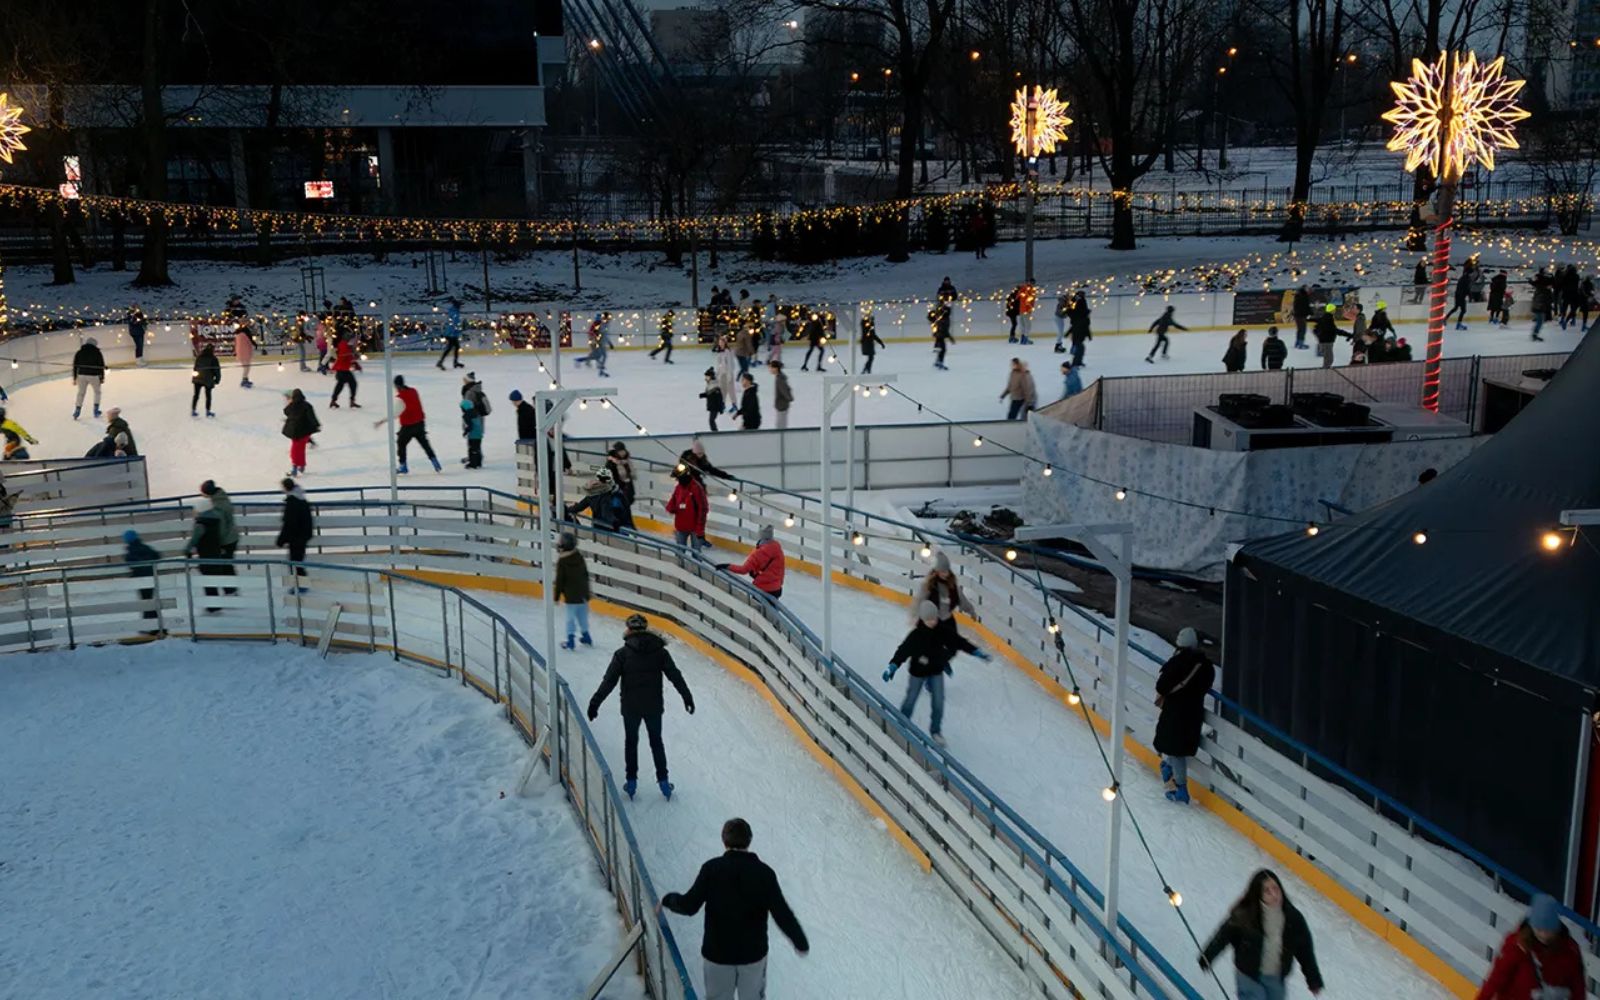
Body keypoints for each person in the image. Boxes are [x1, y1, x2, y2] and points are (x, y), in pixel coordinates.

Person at [659, 817, 809, 1000]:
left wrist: (669, 900)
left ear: (724, 841)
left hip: (717, 954)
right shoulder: (764, 873)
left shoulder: (711, 869)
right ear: (749, 840)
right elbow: (781, 912)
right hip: (752, 955)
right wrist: (799, 940)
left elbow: (689, 906)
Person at [587, 613, 695, 799]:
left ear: (629, 630)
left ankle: (631, 783)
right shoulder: (660, 652)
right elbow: (675, 675)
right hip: (653, 706)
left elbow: (609, 681)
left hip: (631, 707)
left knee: (631, 742)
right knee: (656, 742)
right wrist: (687, 696)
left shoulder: (622, 654)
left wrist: (595, 703)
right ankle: (663, 783)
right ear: (645, 629)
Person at [1200, 870, 1324, 1000]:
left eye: (1276, 889)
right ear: (1258, 895)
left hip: (1275, 978)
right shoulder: (1246, 914)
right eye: (1267, 891)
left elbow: (1305, 950)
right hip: (1248, 975)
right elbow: (1224, 935)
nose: (1274, 894)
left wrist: (1313, 979)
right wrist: (1208, 955)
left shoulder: (1293, 918)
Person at [883, 601, 989, 746]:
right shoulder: (916, 635)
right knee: (911, 699)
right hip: (918, 672)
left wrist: (976, 651)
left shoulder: (942, 630)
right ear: (923, 619)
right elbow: (903, 651)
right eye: (929, 619)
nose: (932, 622)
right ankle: (902, 722)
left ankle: (936, 731)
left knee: (938, 702)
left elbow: (959, 641)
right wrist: (893, 666)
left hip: (936, 671)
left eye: (934, 618)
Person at [1476, 893, 1585, 1000]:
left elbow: (1578, 988)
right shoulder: (1516, 944)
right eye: (1539, 929)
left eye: (1549, 930)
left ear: (1556, 928)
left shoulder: (1570, 950)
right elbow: (1495, 980)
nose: (1544, 935)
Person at [1153, 626, 1214, 804]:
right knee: (1176, 747)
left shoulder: (1177, 663)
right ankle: (1169, 769)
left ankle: (1180, 789)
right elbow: (1206, 685)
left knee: (1175, 749)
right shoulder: (1206, 666)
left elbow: (1162, 686)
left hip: (1175, 712)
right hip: (1193, 712)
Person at [376, 375, 442, 474]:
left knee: (401, 444)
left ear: (397, 386)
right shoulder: (414, 391)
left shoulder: (401, 399)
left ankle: (403, 466)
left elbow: (394, 414)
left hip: (408, 426)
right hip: (420, 423)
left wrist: (381, 421)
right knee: (425, 443)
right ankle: (435, 462)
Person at [185, 492, 228, 612]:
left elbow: (194, 539)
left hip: (205, 555)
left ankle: (213, 605)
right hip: (216, 553)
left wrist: (187, 550)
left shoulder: (201, 525)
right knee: (213, 579)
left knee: (208, 581)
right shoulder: (216, 521)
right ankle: (216, 603)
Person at [917, 553, 974, 640]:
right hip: (933, 620)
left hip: (947, 620)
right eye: (942, 572)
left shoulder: (952, 585)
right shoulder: (930, 585)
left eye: (946, 571)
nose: (945, 574)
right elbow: (920, 601)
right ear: (936, 572)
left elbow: (961, 599)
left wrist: (971, 610)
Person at [719, 524, 784, 599]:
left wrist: (727, 566)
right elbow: (781, 571)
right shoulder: (778, 550)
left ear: (760, 535)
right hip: (776, 590)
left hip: (761, 590)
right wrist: (779, 584)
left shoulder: (758, 553)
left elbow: (743, 570)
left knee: (756, 610)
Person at [553, 531, 593, 649]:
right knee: (582, 616)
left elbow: (560, 580)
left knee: (570, 619)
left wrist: (556, 597)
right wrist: (587, 592)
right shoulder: (579, 556)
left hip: (571, 596)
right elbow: (585, 574)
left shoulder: (563, 561)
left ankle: (570, 640)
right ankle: (586, 636)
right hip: (583, 594)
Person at [565, 468, 631, 531]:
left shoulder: (592, 493)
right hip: (610, 528)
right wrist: (617, 523)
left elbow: (579, 506)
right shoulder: (610, 494)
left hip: (597, 527)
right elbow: (606, 514)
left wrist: (567, 510)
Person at [276, 477, 314, 584]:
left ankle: (300, 585)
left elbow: (289, 523)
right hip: (303, 535)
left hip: (296, 537)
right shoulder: (301, 499)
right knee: (297, 562)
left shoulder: (292, 502)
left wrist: (281, 540)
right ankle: (300, 584)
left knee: (295, 563)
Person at [124, 529, 163, 632]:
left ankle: (152, 626)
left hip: (140, 579)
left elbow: (132, 563)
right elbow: (157, 555)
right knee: (149, 601)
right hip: (151, 577)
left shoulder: (131, 551)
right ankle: (155, 625)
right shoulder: (145, 547)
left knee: (146, 602)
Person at [666, 467, 709, 552]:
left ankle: (697, 565)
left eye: (678, 478)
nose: (677, 480)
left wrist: (700, 529)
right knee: (680, 552)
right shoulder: (679, 487)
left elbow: (703, 509)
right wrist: (671, 508)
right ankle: (680, 565)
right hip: (681, 526)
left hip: (695, 528)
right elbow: (673, 501)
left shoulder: (696, 488)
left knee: (696, 553)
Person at [281, 389, 320, 477]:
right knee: (301, 449)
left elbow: (286, 412)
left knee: (295, 450)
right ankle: (301, 466)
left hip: (295, 432)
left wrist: (290, 403)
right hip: (305, 432)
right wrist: (316, 425)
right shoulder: (307, 405)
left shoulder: (292, 405)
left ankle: (295, 468)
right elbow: (312, 417)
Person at [72, 336, 106, 420]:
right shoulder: (97, 352)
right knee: (97, 392)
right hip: (94, 375)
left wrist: (75, 377)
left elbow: (75, 365)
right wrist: (102, 377)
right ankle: (96, 410)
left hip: (81, 375)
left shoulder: (79, 352)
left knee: (81, 393)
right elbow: (101, 365)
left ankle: (77, 410)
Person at [574, 312, 613, 377]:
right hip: (597, 343)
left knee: (599, 356)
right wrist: (595, 341)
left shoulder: (603, 325)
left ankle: (599, 367)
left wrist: (609, 343)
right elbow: (594, 334)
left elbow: (605, 335)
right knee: (597, 356)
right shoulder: (598, 325)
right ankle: (582, 360)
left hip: (600, 343)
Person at [605, 441, 637, 519]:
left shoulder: (627, 461)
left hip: (627, 488)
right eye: (620, 451)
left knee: (626, 507)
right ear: (616, 452)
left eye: (623, 450)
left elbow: (632, 475)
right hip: (617, 489)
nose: (622, 453)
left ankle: (626, 524)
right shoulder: (611, 463)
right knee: (619, 508)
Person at [329, 334, 361, 408]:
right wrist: (354, 359)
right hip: (343, 370)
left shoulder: (345, 345)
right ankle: (351, 401)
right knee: (352, 384)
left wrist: (356, 364)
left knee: (340, 385)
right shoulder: (344, 345)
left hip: (342, 370)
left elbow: (349, 357)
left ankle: (333, 401)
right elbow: (345, 356)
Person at [191, 344, 221, 418]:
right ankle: (208, 411)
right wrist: (217, 380)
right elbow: (217, 370)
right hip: (208, 379)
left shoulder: (199, 357)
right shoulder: (213, 359)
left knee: (196, 395)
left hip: (198, 378)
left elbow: (195, 368)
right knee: (208, 396)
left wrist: (195, 377)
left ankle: (193, 410)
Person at [1313, 304, 1345, 368]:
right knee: (1329, 359)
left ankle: (1325, 369)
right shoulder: (1328, 318)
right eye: (1334, 309)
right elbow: (1334, 330)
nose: (1335, 310)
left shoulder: (1325, 317)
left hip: (1325, 341)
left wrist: (1320, 337)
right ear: (1332, 310)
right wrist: (1347, 334)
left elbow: (1316, 328)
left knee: (1328, 358)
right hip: (1327, 341)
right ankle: (1325, 371)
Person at [437, 298, 464, 369]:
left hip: (452, 333)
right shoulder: (454, 313)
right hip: (451, 333)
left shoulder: (454, 311)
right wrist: (450, 333)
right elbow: (453, 324)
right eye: (460, 305)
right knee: (450, 348)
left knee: (454, 347)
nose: (461, 307)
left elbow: (454, 324)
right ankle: (441, 362)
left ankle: (453, 362)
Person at [1068, 292, 1092, 368]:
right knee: (1079, 349)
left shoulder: (1078, 302)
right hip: (1078, 334)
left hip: (1079, 334)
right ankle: (1075, 363)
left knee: (1080, 348)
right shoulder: (1080, 303)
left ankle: (1077, 362)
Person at [460, 398, 484, 469]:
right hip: (479, 434)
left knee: (472, 449)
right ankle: (478, 463)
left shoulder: (467, 415)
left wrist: (466, 432)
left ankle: (473, 464)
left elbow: (470, 425)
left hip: (473, 435)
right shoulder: (476, 412)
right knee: (477, 448)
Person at [1446, 264, 1473, 330]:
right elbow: (1467, 288)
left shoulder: (1463, 277)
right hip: (1461, 296)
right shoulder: (1467, 279)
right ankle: (1458, 324)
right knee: (1463, 310)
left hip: (1458, 295)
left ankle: (1445, 319)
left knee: (1456, 308)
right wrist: (1470, 296)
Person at [769, 361, 793, 429]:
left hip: (782, 405)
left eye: (771, 367)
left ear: (776, 368)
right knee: (781, 424)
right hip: (781, 405)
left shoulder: (779, 379)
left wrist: (789, 398)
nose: (770, 369)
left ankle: (782, 438)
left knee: (780, 425)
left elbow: (784, 390)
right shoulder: (779, 377)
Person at [929, 302, 953, 370]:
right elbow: (944, 329)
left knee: (942, 349)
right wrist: (950, 337)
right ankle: (940, 362)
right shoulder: (944, 319)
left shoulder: (943, 317)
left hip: (939, 335)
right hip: (940, 335)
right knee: (943, 349)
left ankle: (938, 361)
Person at [700, 368, 726, 432]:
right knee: (711, 420)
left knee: (711, 420)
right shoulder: (710, 385)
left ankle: (715, 432)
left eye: (707, 377)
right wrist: (704, 395)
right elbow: (710, 394)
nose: (705, 378)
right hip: (712, 405)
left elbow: (719, 398)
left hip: (715, 406)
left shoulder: (714, 386)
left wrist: (720, 408)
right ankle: (714, 431)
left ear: (710, 377)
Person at [1531, 275, 1553, 343]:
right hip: (1539, 307)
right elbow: (1541, 299)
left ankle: (1535, 334)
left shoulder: (1541, 289)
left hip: (1539, 307)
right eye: (1550, 285)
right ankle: (1534, 335)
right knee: (1540, 322)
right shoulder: (1543, 290)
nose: (1551, 287)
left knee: (1540, 322)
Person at [235, 323, 257, 388]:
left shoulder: (238, 336)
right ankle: (244, 381)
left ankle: (245, 380)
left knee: (246, 368)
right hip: (245, 354)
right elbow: (248, 345)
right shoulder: (244, 336)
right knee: (246, 368)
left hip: (241, 354)